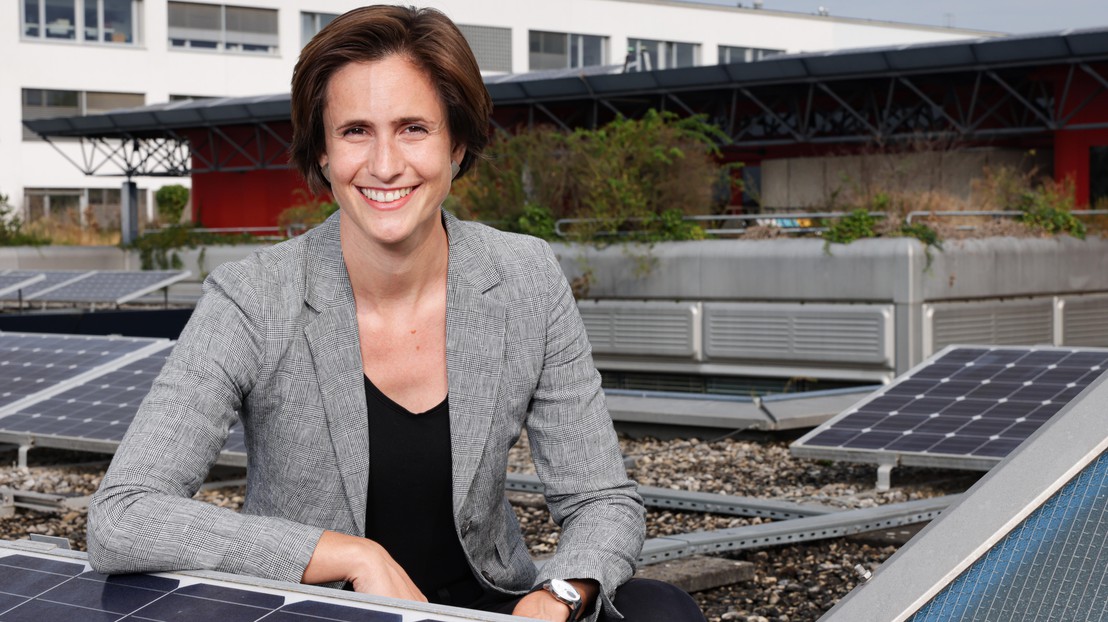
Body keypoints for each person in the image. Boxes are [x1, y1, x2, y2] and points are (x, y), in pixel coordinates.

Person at [87, 6, 705, 622]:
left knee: (661, 609)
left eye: (413, 128)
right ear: (323, 153)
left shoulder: (524, 277)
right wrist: (348, 556)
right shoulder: (253, 296)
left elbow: (601, 498)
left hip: (486, 609)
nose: (385, 165)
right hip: (323, 612)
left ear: (457, 144)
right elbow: (125, 512)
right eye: (356, 131)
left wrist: (558, 597)